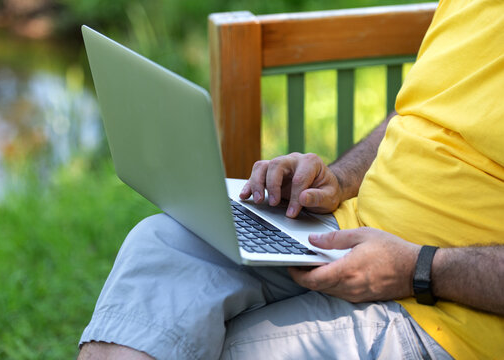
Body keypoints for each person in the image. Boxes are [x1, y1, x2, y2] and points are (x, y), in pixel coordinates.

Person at [77, 0, 504, 358]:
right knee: (161, 249)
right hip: (346, 232)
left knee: (213, 347)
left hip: (445, 308)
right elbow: (416, 112)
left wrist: (418, 268)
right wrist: (339, 179)